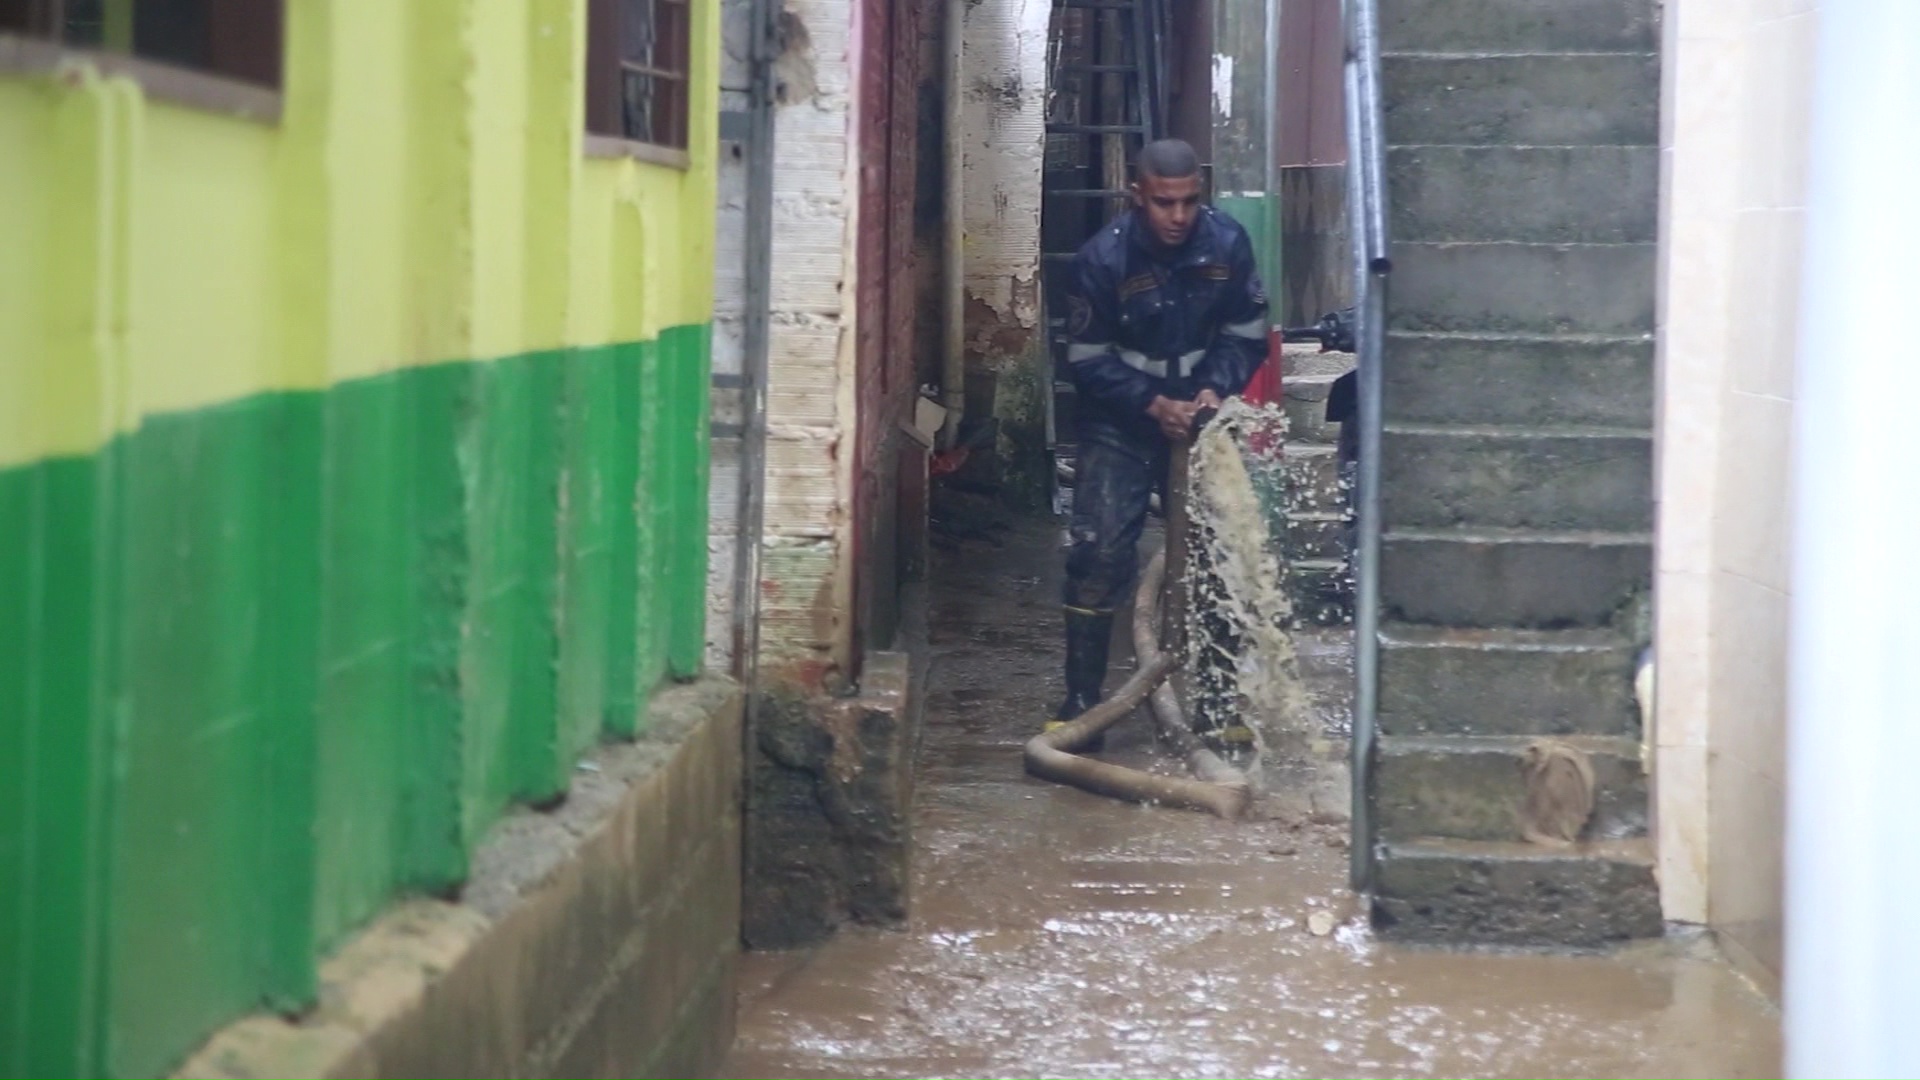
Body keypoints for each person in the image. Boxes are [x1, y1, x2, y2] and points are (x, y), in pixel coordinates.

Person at [1051, 138, 1270, 742]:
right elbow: (1086, 359)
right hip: (1118, 427)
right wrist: (1151, 403)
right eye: (1164, 203)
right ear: (1137, 195)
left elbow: (1247, 334)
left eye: (1189, 203)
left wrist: (1210, 392)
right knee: (1098, 555)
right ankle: (1081, 704)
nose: (1179, 217)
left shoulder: (1227, 245)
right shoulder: (1101, 261)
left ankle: (1221, 706)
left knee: (1220, 556)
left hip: (1201, 422)